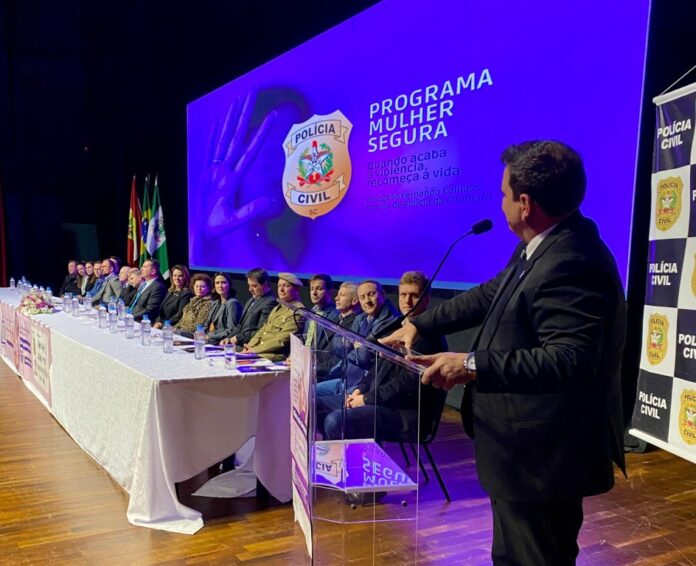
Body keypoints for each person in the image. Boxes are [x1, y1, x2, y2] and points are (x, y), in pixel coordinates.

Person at [382, 140, 627, 566]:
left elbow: (570, 358)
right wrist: (421, 324)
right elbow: (488, 294)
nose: (500, 203)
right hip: (517, 454)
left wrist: (471, 364)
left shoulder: (573, 260)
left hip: (543, 462)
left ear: (525, 204)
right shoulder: (541, 245)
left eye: (503, 194)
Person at [320, 271, 447, 440]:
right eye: (403, 295)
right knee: (315, 405)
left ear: (426, 299)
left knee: (335, 421)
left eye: (414, 295)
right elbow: (377, 367)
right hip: (378, 398)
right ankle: (329, 454)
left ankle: (353, 457)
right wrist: (360, 389)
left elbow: (404, 384)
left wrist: (365, 399)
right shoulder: (397, 327)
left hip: (403, 412)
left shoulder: (430, 336)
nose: (407, 301)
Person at [316, 280, 398, 397]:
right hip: (345, 380)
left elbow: (364, 356)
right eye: (362, 297)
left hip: (361, 386)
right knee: (307, 392)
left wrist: (355, 348)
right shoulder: (360, 318)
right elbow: (343, 350)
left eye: (371, 294)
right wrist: (356, 348)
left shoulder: (391, 321)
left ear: (383, 295)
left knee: (318, 402)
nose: (367, 301)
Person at [243, 272, 305, 361]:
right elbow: (262, 330)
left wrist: (254, 350)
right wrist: (250, 346)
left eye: (286, 286)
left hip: (275, 355)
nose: (281, 289)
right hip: (260, 352)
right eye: (279, 286)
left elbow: (281, 341)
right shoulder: (278, 307)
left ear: (296, 290)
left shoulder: (298, 312)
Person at [220, 267, 277, 347]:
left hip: (250, 347)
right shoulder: (251, 299)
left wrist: (238, 338)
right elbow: (240, 325)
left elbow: (260, 331)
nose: (250, 289)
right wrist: (228, 338)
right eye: (249, 285)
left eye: (254, 286)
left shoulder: (270, 303)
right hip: (239, 345)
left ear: (265, 284)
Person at [303, 273, 338, 350]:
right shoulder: (312, 311)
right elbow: (305, 337)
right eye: (312, 289)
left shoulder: (335, 315)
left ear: (330, 291)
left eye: (319, 289)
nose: (314, 293)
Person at [205, 272, 243, 344]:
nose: (220, 286)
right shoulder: (215, 303)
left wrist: (210, 336)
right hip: (209, 340)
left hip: (221, 343)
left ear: (229, 285)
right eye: (217, 283)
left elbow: (231, 330)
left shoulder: (233, 303)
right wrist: (200, 334)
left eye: (223, 282)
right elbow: (207, 325)